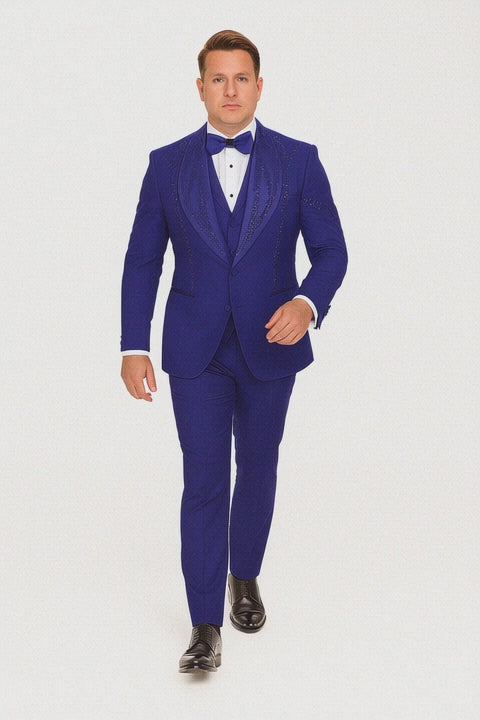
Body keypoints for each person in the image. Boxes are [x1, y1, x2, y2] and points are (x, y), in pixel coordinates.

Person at [120, 29, 347, 673]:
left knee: (258, 468)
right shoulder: (165, 165)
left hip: (271, 344)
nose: (229, 90)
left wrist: (306, 304)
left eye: (241, 78)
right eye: (217, 79)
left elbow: (332, 250)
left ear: (259, 86)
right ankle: (203, 625)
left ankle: (243, 576)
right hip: (195, 349)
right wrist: (133, 344)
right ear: (200, 88)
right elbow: (142, 260)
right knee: (203, 478)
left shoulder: (299, 160)